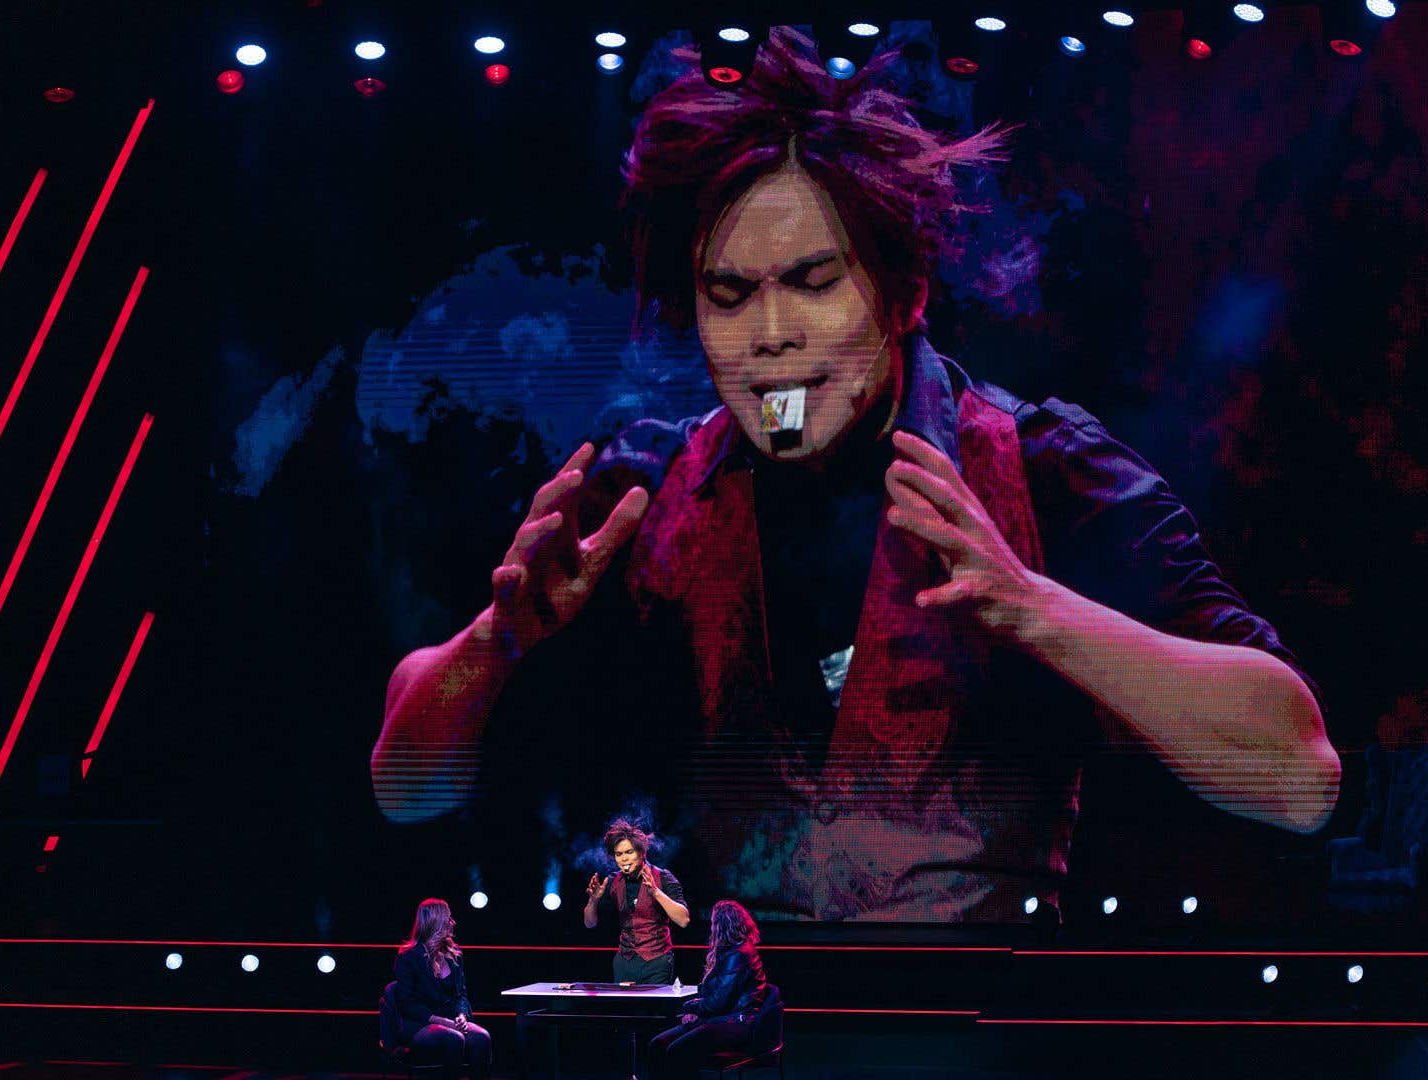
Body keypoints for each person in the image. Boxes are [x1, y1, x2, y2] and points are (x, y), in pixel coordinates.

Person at [374, 29, 1340, 921]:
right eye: (730, 295)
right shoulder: (640, 491)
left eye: (814, 281)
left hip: (978, 1040)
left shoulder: (1043, 465)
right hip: (720, 1037)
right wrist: (495, 645)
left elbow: (1302, 778)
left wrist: (1033, 607)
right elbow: (401, 787)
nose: (772, 334)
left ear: (905, 291)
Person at [649, 900, 770, 1080]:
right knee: (658, 1044)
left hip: (736, 1024)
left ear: (722, 926)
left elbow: (717, 1003)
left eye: (713, 924)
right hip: (725, 1019)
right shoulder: (734, 952)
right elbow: (714, 995)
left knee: (676, 1049)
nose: (711, 929)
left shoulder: (738, 955)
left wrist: (689, 1008)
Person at [390, 898, 492, 1078]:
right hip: (419, 1023)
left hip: (450, 1020)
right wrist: (443, 1021)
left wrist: (461, 1015)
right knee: (454, 1037)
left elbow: (461, 994)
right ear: (435, 922)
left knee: (482, 1037)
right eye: (449, 918)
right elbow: (407, 1004)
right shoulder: (408, 958)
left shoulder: (454, 955)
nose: (453, 923)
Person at [583, 818, 690, 983]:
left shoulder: (663, 878)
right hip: (624, 962)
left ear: (642, 853)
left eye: (629, 852)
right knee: (626, 1009)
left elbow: (683, 920)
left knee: (653, 1009)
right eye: (619, 854)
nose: (624, 859)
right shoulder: (613, 881)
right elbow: (589, 923)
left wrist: (655, 892)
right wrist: (593, 900)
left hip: (657, 961)